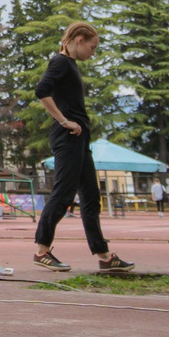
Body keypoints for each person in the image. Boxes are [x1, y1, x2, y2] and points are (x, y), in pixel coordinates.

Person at [30, 23, 134, 274]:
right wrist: (64, 120)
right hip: (67, 138)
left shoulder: (70, 65)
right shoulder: (61, 62)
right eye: (92, 47)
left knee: (90, 197)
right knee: (64, 193)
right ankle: (41, 251)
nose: (93, 53)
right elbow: (41, 90)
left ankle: (104, 256)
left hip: (79, 140)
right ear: (78, 39)